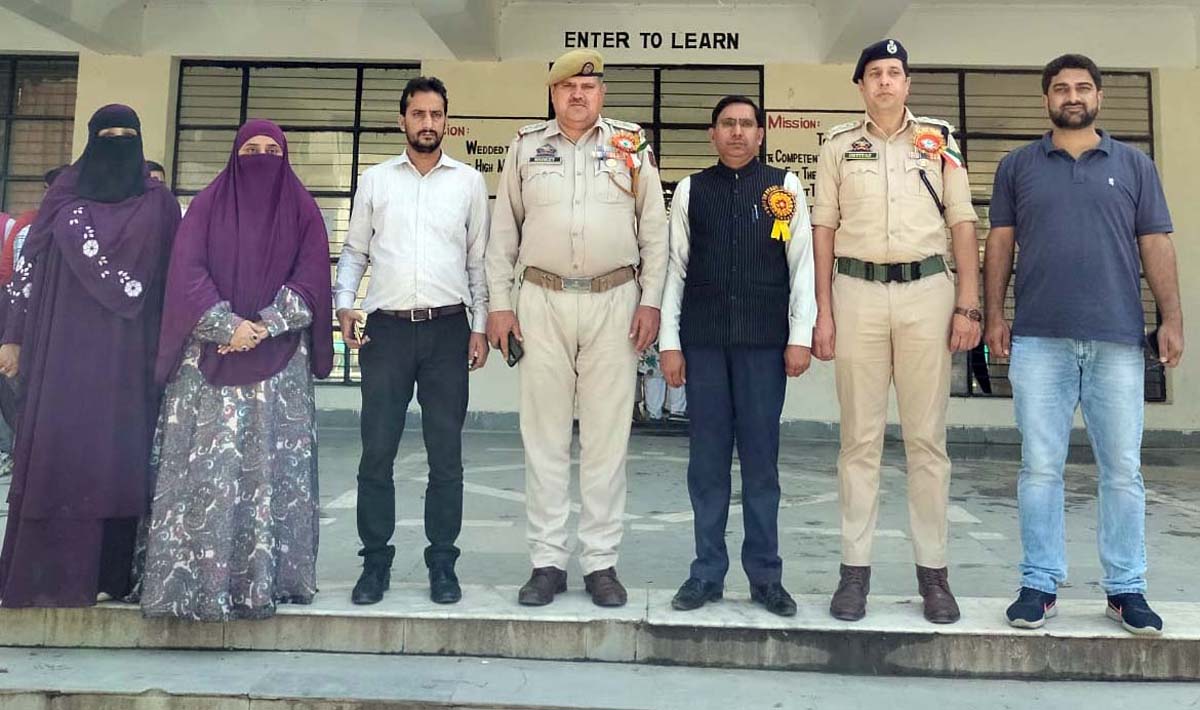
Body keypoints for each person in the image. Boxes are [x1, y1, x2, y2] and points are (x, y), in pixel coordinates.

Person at [984, 54, 1182, 637]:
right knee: (1039, 467)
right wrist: (995, 314)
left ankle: (1127, 589)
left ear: (1099, 96)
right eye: (1062, 88)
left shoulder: (1135, 165)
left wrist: (1171, 319)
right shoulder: (1017, 165)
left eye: (1083, 87)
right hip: (1039, 339)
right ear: (1046, 99)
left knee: (1122, 470)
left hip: (1118, 339)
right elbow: (1000, 243)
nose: (1073, 95)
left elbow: (1157, 244)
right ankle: (1038, 585)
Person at [486, 49, 668, 607]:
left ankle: (601, 563)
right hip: (541, 299)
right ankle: (546, 562)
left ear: (602, 93)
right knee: (542, 436)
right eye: (568, 86)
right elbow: (502, 235)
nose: (578, 94)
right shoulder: (525, 147)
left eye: (588, 85)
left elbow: (655, 234)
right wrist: (500, 304)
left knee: (606, 438)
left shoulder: (630, 146)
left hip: (615, 298)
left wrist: (652, 302)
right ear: (553, 93)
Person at [810, 39, 982, 624]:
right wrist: (823, 312)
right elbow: (823, 229)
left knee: (926, 442)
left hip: (927, 294)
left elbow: (962, 220)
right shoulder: (838, 146)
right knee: (858, 441)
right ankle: (853, 574)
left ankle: (934, 576)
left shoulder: (938, 141)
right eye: (875, 74)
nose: (885, 81)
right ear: (860, 86)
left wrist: (969, 302)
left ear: (907, 83)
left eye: (895, 72)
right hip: (855, 292)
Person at [137, 120, 334, 621]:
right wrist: (226, 326)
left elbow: (312, 280)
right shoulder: (206, 206)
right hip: (208, 363)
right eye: (252, 149)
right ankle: (193, 585)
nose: (262, 158)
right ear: (233, 154)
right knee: (209, 474)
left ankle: (267, 583)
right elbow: (186, 272)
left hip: (279, 366)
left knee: (270, 474)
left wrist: (263, 326)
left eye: (272, 150)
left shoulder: (303, 210)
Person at [0, 105, 180, 608]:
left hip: (129, 358)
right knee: (61, 457)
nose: (117, 143)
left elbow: (174, 278)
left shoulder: (160, 204)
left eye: (127, 135)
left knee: (116, 461)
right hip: (61, 353)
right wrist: (12, 337)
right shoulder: (64, 196)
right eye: (108, 135)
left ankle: (112, 576)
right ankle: (48, 576)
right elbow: (28, 269)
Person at [335, 76, 490, 606]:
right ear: (402, 119)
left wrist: (479, 325)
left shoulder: (468, 183)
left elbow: (478, 262)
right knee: (377, 451)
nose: (428, 123)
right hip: (387, 331)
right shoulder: (376, 181)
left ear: (447, 120)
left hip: (448, 330)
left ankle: (442, 563)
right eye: (418, 114)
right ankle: (374, 562)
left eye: (436, 114)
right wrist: (344, 302)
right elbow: (355, 252)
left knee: (446, 455)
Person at [660, 95, 816, 616]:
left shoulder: (784, 187)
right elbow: (674, 270)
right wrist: (669, 343)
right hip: (703, 346)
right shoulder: (690, 190)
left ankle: (766, 577)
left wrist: (800, 335)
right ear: (712, 134)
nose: (737, 133)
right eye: (727, 124)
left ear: (762, 133)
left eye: (746, 124)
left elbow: (802, 266)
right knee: (706, 464)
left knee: (760, 465)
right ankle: (705, 573)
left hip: (764, 349)